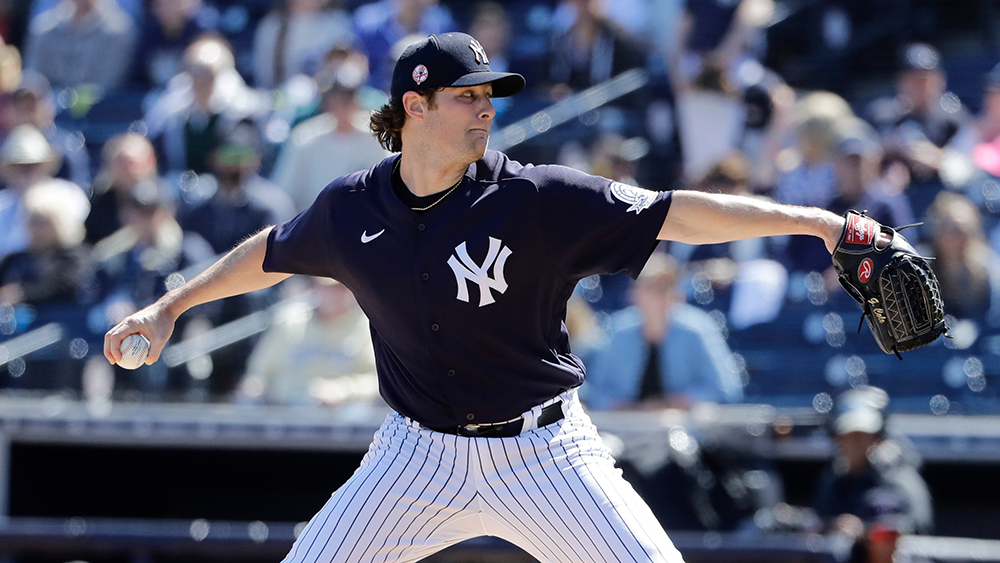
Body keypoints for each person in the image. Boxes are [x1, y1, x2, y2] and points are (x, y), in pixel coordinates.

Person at [105, 32, 846, 563]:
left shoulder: (535, 195)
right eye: (467, 97)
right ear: (414, 106)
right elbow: (268, 253)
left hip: (545, 450)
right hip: (414, 454)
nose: (485, 108)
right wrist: (171, 307)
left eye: (489, 95)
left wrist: (819, 224)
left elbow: (674, 211)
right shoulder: (351, 208)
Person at [583, 252, 743, 410]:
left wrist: (675, 403)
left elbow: (726, 388)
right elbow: (597, 392)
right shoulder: (618, 330)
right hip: (626, 429)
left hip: (687, 429)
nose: (659, 295)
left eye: (666, 287)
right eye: (650, 287)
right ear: (634, 294)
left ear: (678, 294)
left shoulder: (698, 329)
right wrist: (627, 408)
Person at [812, 386, 933, 563]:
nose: (856, 442)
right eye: (849, 435)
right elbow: (820, 520)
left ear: (877, 437)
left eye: (863, 434)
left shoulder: (900, 480)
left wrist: (864, 531)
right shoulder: (832, 479)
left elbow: (913, 530)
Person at [238, 276, 379, 406]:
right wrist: (253, 390)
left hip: (342, 419)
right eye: (327, 287)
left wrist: (344, 389)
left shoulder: (368, 326)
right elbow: (258, 374)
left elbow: (379, 382)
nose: (334, 294)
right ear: (313, 287)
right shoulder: (291, 320)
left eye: (341, 287)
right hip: (285, 413)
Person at [270, 67, 389, 213]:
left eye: (349, 97)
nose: (344, 105)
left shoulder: (377, 137)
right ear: (328, 102)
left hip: (365, 225)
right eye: (338, 98)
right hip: (315, 225)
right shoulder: (305, 138)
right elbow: (283, 194)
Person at [22, 0, 137, 92]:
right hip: (46, 113)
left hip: (99, 115)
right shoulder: (43, 30)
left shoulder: (118, 31)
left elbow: (106, 86)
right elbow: (33, 79)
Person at [251, 0, 354, 89]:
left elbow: (350, 74)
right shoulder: (271, 26)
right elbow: (264, 79)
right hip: (282, 104)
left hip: (328, 103)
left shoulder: (340, 24)